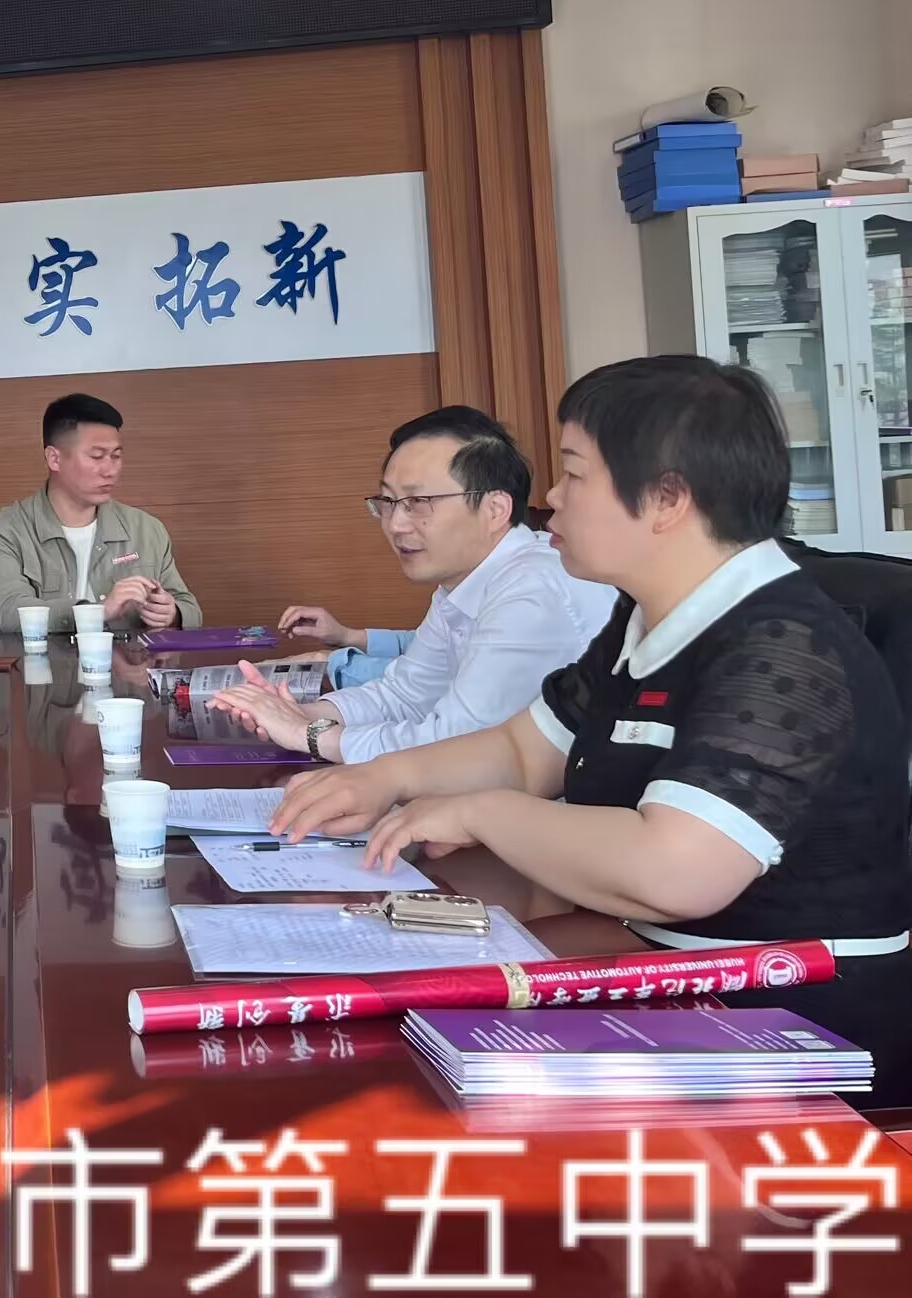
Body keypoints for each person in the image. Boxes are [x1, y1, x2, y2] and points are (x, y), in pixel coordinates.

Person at [271, 357, 912, 1106]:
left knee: (406, 1059)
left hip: (791, 1016)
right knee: (377, 989)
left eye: (575, 473)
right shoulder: (645, 617)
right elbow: (524, 750)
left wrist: (480, 813)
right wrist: (382, 778)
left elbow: (677, 872)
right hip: (670, 965)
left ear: (667, 500)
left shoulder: (784, 646)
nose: (551, 496)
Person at [216, 407, 617, 763]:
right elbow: (404, 695)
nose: (395, 525)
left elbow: (458, 746)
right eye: (388, 502)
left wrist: (310, 735)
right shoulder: (460, 585)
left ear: (495, 509)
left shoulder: (533, 590)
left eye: (418, 503)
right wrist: (302, 714)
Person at [0, 393, 200, 638]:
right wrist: (97, 612)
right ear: (54, 458)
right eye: (97, 457)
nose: (110, 470)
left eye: (116, 456)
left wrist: (171, 613)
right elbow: (9, 612)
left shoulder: (146, 529)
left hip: (127, 662)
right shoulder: (2, 532)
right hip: (41, 663)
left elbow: (190, 609)